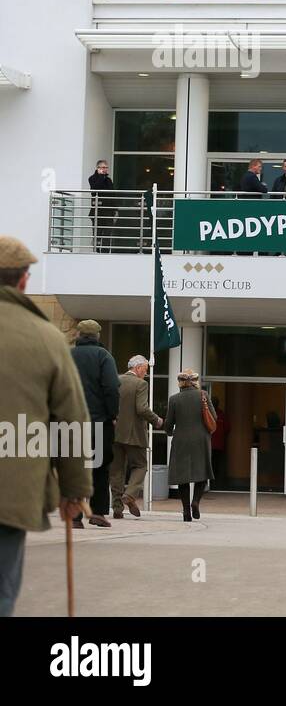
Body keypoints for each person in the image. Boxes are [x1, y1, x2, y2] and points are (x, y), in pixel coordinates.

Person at [0, 237, 91, 616]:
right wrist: (74, 492)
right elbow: (70, 420)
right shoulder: (47, 339)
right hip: (10, 489)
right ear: (23, 281)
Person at [69, 319, 119, 528]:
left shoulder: (67, 355)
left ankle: (74, 516)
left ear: (79, 336)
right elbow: (111, 388)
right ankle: (97, 513)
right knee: (99, 468)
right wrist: (113, 414)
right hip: (99, 422)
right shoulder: (103, 356)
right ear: (98, 336)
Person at [110, 355, 162, 519]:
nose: (145, 374)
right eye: (145, 370)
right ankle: (130, 494)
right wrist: (157, 420)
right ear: (138, 368)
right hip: (134, 434)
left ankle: (117, 508)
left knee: (116, 470)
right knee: (141, 465)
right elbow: (142, 409)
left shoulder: (116, 380)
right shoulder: (141, 384)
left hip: (115, 432)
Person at [163, 370, 215, 522]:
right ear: (195, 381)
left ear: (180, 382)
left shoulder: (174, 399)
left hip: (181, 441)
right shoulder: (203, 395)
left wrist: (169, 431)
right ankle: (196, 501)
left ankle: (186, 511)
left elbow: (168, 424)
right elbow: (214, 418)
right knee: (202, 473)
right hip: (201, 440)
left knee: (182, 477)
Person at [88, 159, 116, 251]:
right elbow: (95, 190)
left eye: (106, 167)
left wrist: (116, 210)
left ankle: (105, 252)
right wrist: (101, 177)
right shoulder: (92, 178)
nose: (105, 169)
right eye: (103, 167)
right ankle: (97, 252)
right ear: (98, 168)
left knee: (107, 235)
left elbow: (112, 195)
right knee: (97, 234)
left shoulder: (108, 180)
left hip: (108, 212)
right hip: (97, 211)